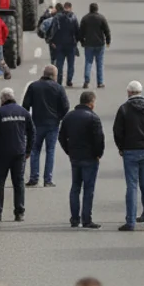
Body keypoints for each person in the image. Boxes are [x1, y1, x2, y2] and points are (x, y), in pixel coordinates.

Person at [113, 81, 144, 231]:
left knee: (132, 187)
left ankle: (131, 221)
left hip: (130, 151)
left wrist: (121, 147)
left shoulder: (124, 109)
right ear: (141, 92)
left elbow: (117, 131)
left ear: (129, 92)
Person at [0, 87, 34, 222]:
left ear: (2, 100)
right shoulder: (23, 112)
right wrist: (28, 150)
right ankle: (19, 213)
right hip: (19, 153)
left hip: (2, 153)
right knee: (18, 183)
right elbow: (32, 132)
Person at [59, 91, 105, 229]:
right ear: (91, 103)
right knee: (88, 189)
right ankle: (86, 219)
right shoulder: (93, 118)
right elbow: (99, 139)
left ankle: (74, 219)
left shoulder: (69, 116)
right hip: (90, 158)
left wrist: (69, 151)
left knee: (75, 187)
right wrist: (98, 154)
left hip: (75, 157)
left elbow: (61, 137)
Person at [23, 65, 70, 188]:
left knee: (35, 150)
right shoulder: (58, 88)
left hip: (36, 123)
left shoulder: (34, 86)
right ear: (53, 75)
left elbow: (25, 105)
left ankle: (34, 178)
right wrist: (58, 117)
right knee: (50, 151)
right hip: (52, 124)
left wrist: (27, 121)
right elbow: (66, 106)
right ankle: (47, 179)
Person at [78, 3, 111, 89]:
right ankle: (100, 82)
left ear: (90, 9)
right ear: (97, 9)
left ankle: (86, 81)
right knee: (99, 63)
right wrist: (108, 41)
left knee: (88, 62)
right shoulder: (101, 18)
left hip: (88, 43)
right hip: (100, 43)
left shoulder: (85, 18)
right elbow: (107, 30)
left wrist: (82, 41)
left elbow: (81, 32)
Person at [48, 2, 80, 87]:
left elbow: (53, 30)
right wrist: (76, 41)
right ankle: (69, 80)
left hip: (59, 45)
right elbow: (77, 31)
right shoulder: (73, 17)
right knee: (71, 65)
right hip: (71, 45)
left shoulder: (57, 17)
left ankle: (59, 81)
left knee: (59, 65)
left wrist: (52, 41)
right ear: (70, 8)